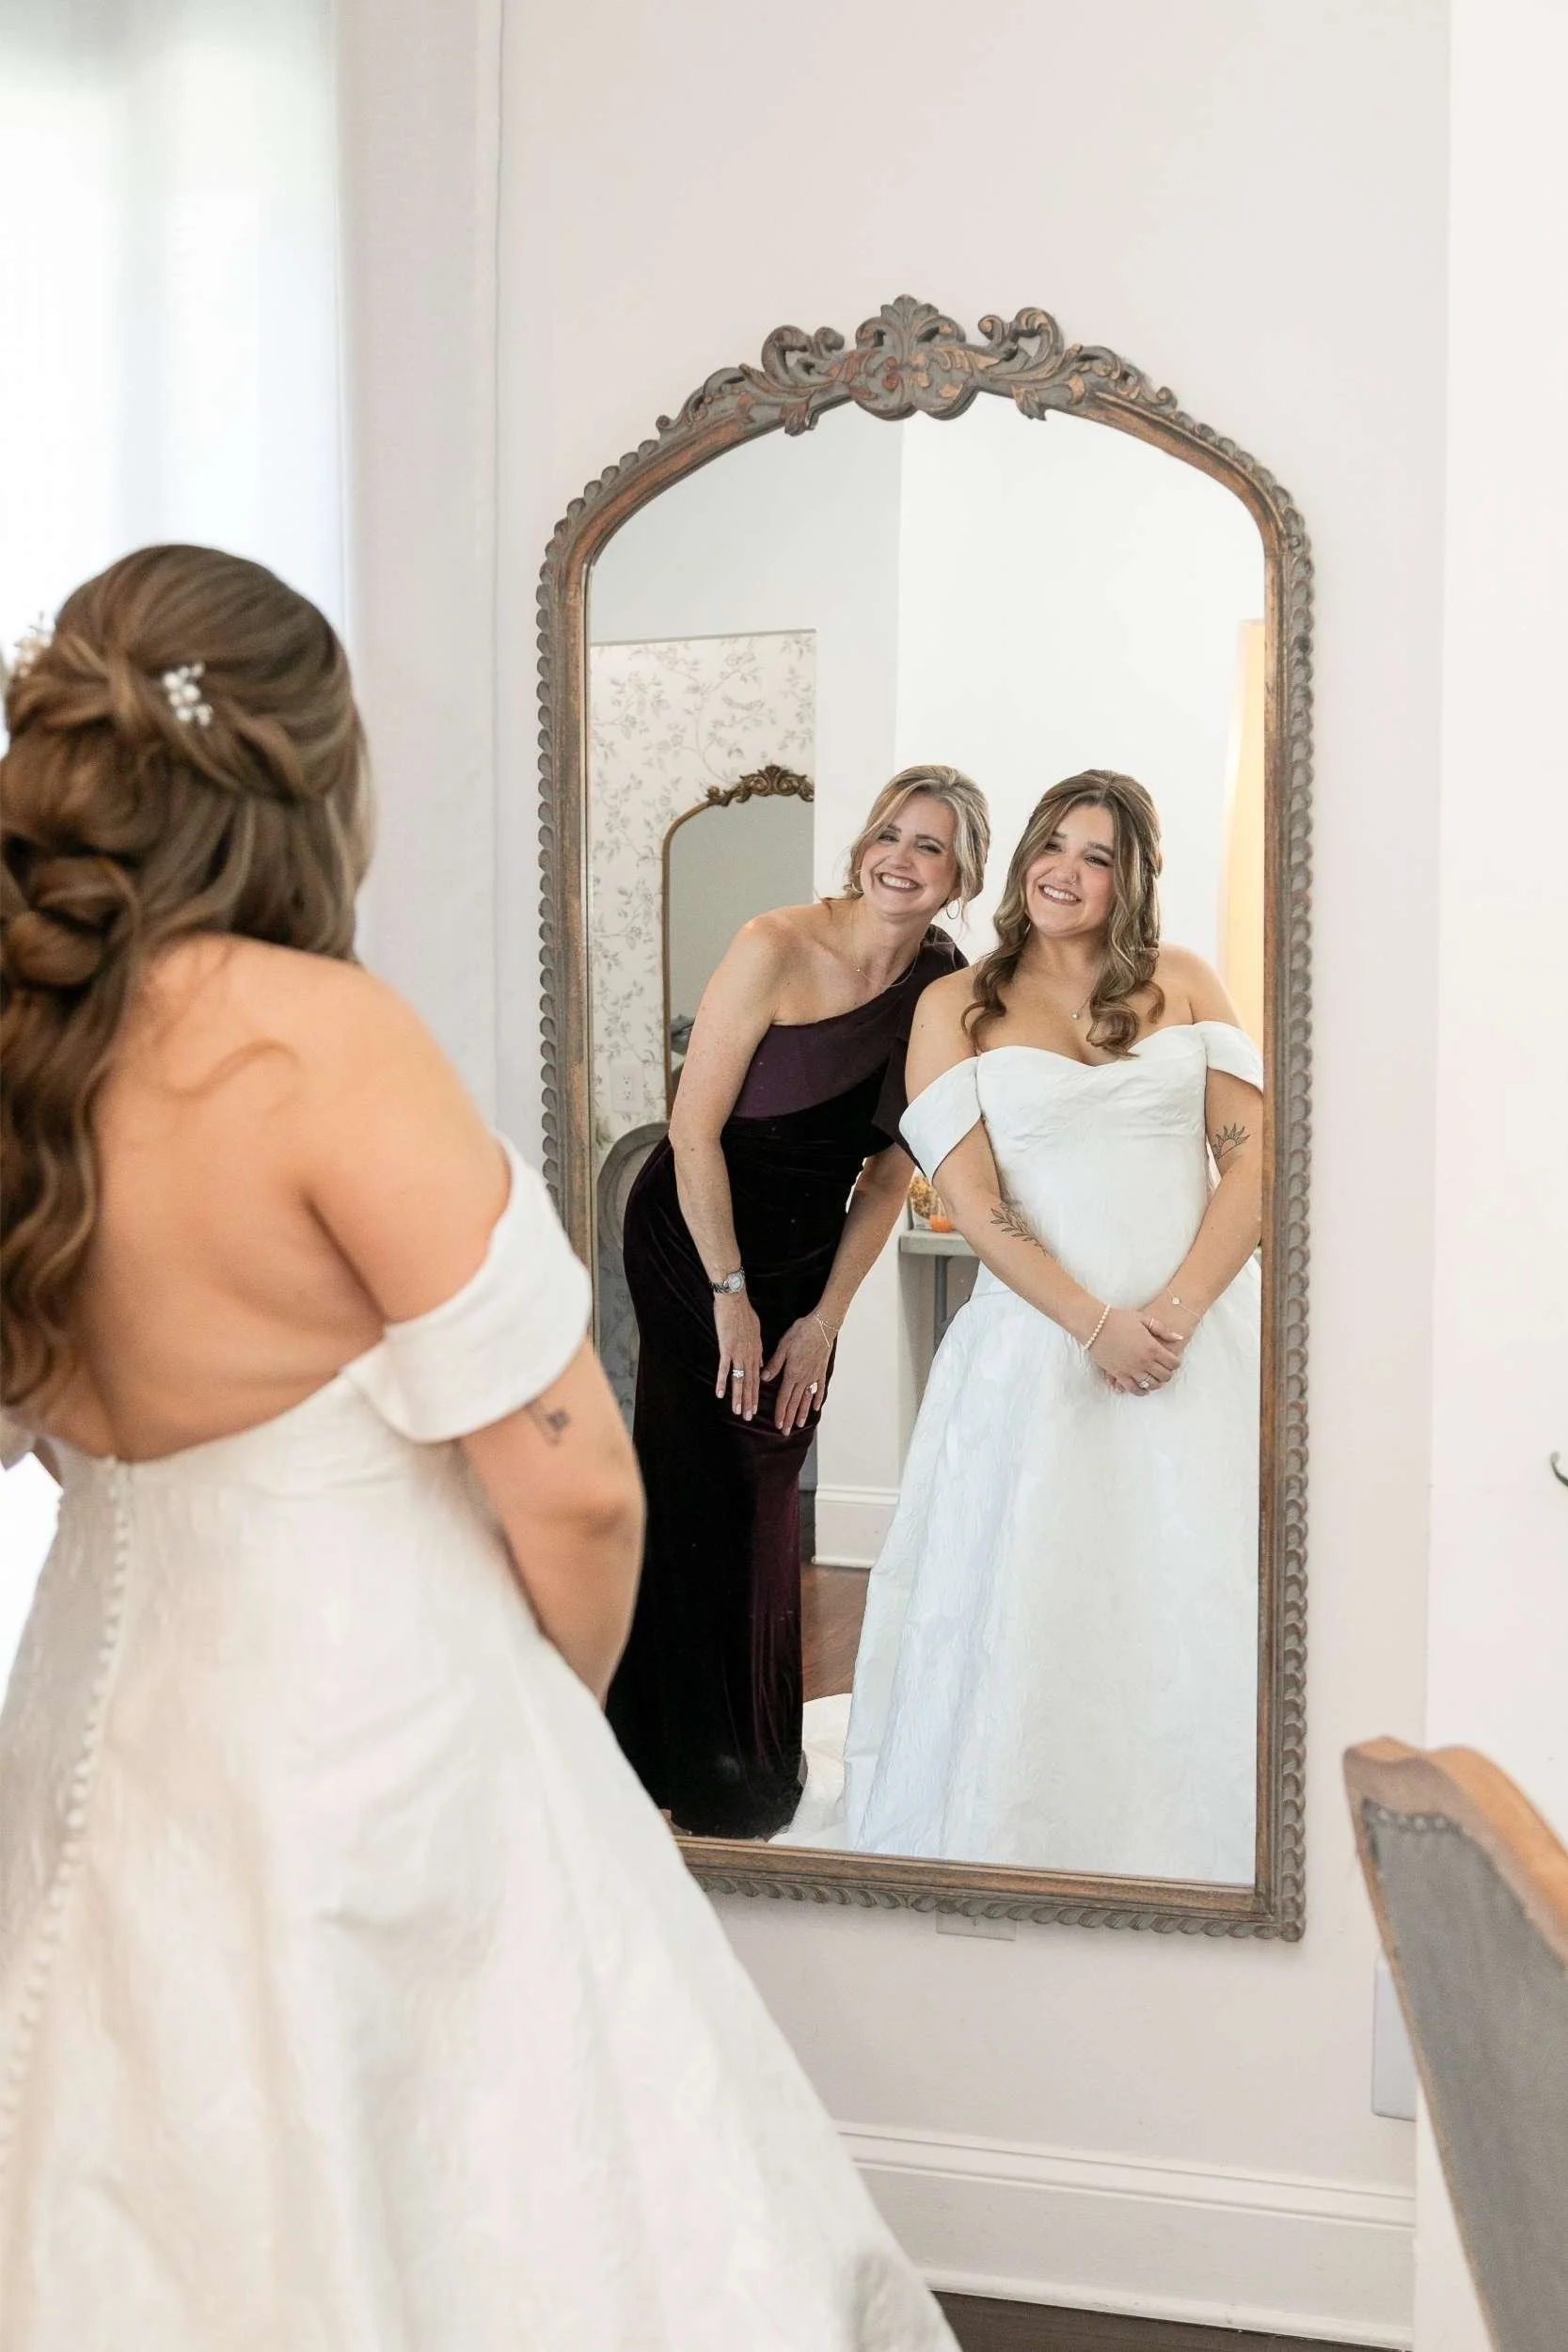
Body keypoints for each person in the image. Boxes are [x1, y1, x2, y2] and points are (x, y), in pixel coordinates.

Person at [0, 547, 957, 2351]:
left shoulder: (33, 1047)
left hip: (89, 1726)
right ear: (310, 773)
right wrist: (545, 1755)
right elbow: (581, 1482)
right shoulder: (313, 1034)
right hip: (369, 1720)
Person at [841, 771, 1263, 1883]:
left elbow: (1255, 1157)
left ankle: (1192, 1842)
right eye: (1053, 846)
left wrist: (1169, 1314)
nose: (1064, 872)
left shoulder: (1182, 984)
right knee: (1034, 1601)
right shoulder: (957, 1004)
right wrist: (1092, 1326)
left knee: (1190, 1586)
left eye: (1097, 856)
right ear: (1023, 855)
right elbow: (972, 1202)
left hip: (1194, 1343)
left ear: (1130, 881)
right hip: (1036, 1351)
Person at [609, 767, 990, 1841]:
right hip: (696, 1233)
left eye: (929, 847)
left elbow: (884, 1177)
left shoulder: (940, 986)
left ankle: (709, 1746)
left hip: (802, 1256)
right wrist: (730, 1296)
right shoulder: (771, 944)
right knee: (713, 1476)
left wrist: (824, 1317)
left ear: (959, 875)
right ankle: (701, 1762)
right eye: (888, 834)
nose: (899, 859)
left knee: (764, 1478)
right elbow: (688, 1135)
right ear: (861, 844)